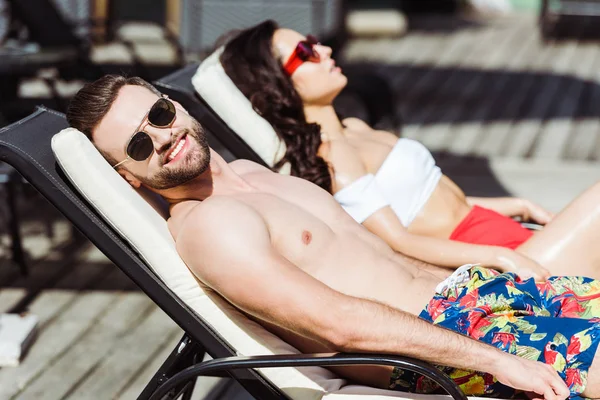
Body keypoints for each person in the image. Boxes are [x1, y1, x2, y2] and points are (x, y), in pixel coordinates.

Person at [66, 74, 600, 399]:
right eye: (138, 146)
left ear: (174, 104)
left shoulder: (254, 171)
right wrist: (496, 360)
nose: (162, 137)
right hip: (450, 342)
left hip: (478, 293)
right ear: (128, 176)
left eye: (159, 114)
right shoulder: (208, 227)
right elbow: (336, 324)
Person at [218, 20, 600, 280]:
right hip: (491, 261)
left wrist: (515, 203)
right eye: (306, 49)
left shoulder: (354, 128)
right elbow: (398, 242)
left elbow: (432, 201)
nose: (325, 49)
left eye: (315, 40)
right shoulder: (335, 158)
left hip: (502, 236)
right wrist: (499, 257)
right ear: (278, 84)